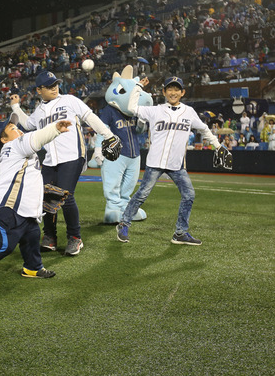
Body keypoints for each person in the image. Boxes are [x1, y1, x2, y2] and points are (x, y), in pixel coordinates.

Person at [11, 71, 117, 256]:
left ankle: (75, 238)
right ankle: (50, 238)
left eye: (55, 84)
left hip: (73, 155)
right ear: (39, 90)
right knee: (45, 198)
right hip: (51, 160)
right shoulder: (40, 109)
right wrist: (15, 107)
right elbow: (28, 125)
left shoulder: (69, 100)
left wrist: (108, 135)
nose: (54, 88)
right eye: (50, 86)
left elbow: (90, 117)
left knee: (66, 197)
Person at [0, 119, 72, 285]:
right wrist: (55, 129)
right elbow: (37, 138)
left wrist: (39, 195)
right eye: (13, 128)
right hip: (4, 208)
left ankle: (33, 267)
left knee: (32, 235)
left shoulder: (16, 152)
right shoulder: (13, 145)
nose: (19, 130)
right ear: (4, 139)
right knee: (3, 245)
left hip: (20, 208)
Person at [116, 76, 226, 246]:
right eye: (170, 89)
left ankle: (180, 233)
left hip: (176, 165)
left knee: (189, 195)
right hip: (155, 163)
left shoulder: (189, 112)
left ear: (182, 92)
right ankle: (124, 224)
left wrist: (218, 146)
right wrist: (138, 86)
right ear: (164, 92)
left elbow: (204, 129)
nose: (173, 92)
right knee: (141, 195)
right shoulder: (155, 110)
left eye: (176, 89)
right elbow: (131, 107)